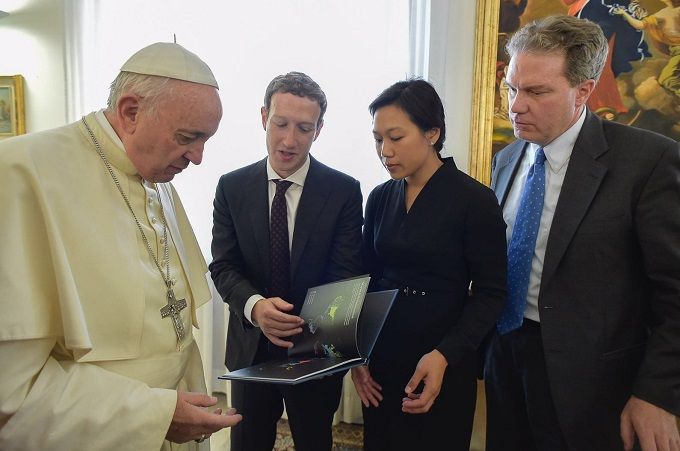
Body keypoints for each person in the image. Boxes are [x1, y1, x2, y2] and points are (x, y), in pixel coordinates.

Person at [0, 42, 242, 449]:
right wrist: (152, 415)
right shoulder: (21, 173)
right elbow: (10, 393)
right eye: (189, 137)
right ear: (131, 112)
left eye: (206, 140)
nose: (198, 158)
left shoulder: (155, 176)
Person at [485, 15, 680, 451]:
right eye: (513, 87)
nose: (516, 105)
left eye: (536, 92)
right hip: (506, 359)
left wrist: (657, 393)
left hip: (593, 383)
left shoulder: (646, 162)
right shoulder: (508, 158)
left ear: (584, 90)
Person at [209, 71, 363, 451]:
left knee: (314, 440)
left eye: (304, 128)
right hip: (251, 346)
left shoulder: (343, 191)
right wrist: (255, 307)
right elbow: (224, 266)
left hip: (315, 350)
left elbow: (344, 275)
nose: (289, 140)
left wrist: (306, 333)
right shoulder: (231, 187)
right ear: (264, 117)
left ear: (319, 130)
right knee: (248, 442)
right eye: (280, 124)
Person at [351, 79, 507, 450]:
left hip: (443, 355)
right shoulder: (379, 197)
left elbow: (491, 293)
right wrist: (355, 355)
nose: (384, 151)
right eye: (377, 139)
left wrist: (445, 355)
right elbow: (367, 280)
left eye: (396, 137)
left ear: (432, 133)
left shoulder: (475, 200)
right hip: (383, 355)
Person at [613, 0, 680, 98]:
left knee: (666, 80)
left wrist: (624, 13)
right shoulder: (658, 16)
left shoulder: (666, 13)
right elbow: (639, 24)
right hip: (675, 51)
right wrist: (624, 13)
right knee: (666, 81)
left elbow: (639, 24)